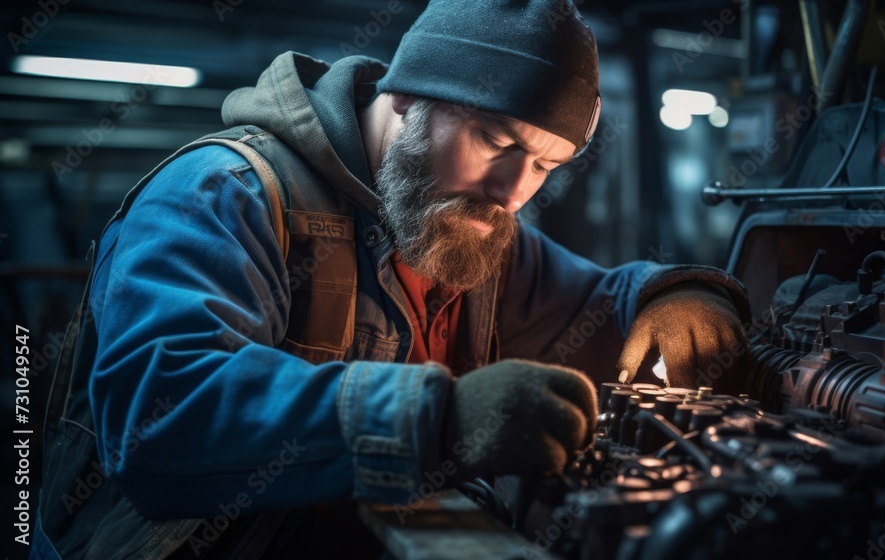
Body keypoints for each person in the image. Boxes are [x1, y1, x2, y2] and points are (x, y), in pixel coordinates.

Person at [33, 0, 750, 558]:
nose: (512, 193)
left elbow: (599, 303)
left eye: (545, 167)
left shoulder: (472, 229)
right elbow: (162, 415)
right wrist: (437, 419)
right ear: (408, 96)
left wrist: (677, 295)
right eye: (498, 142)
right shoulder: (226, 195)